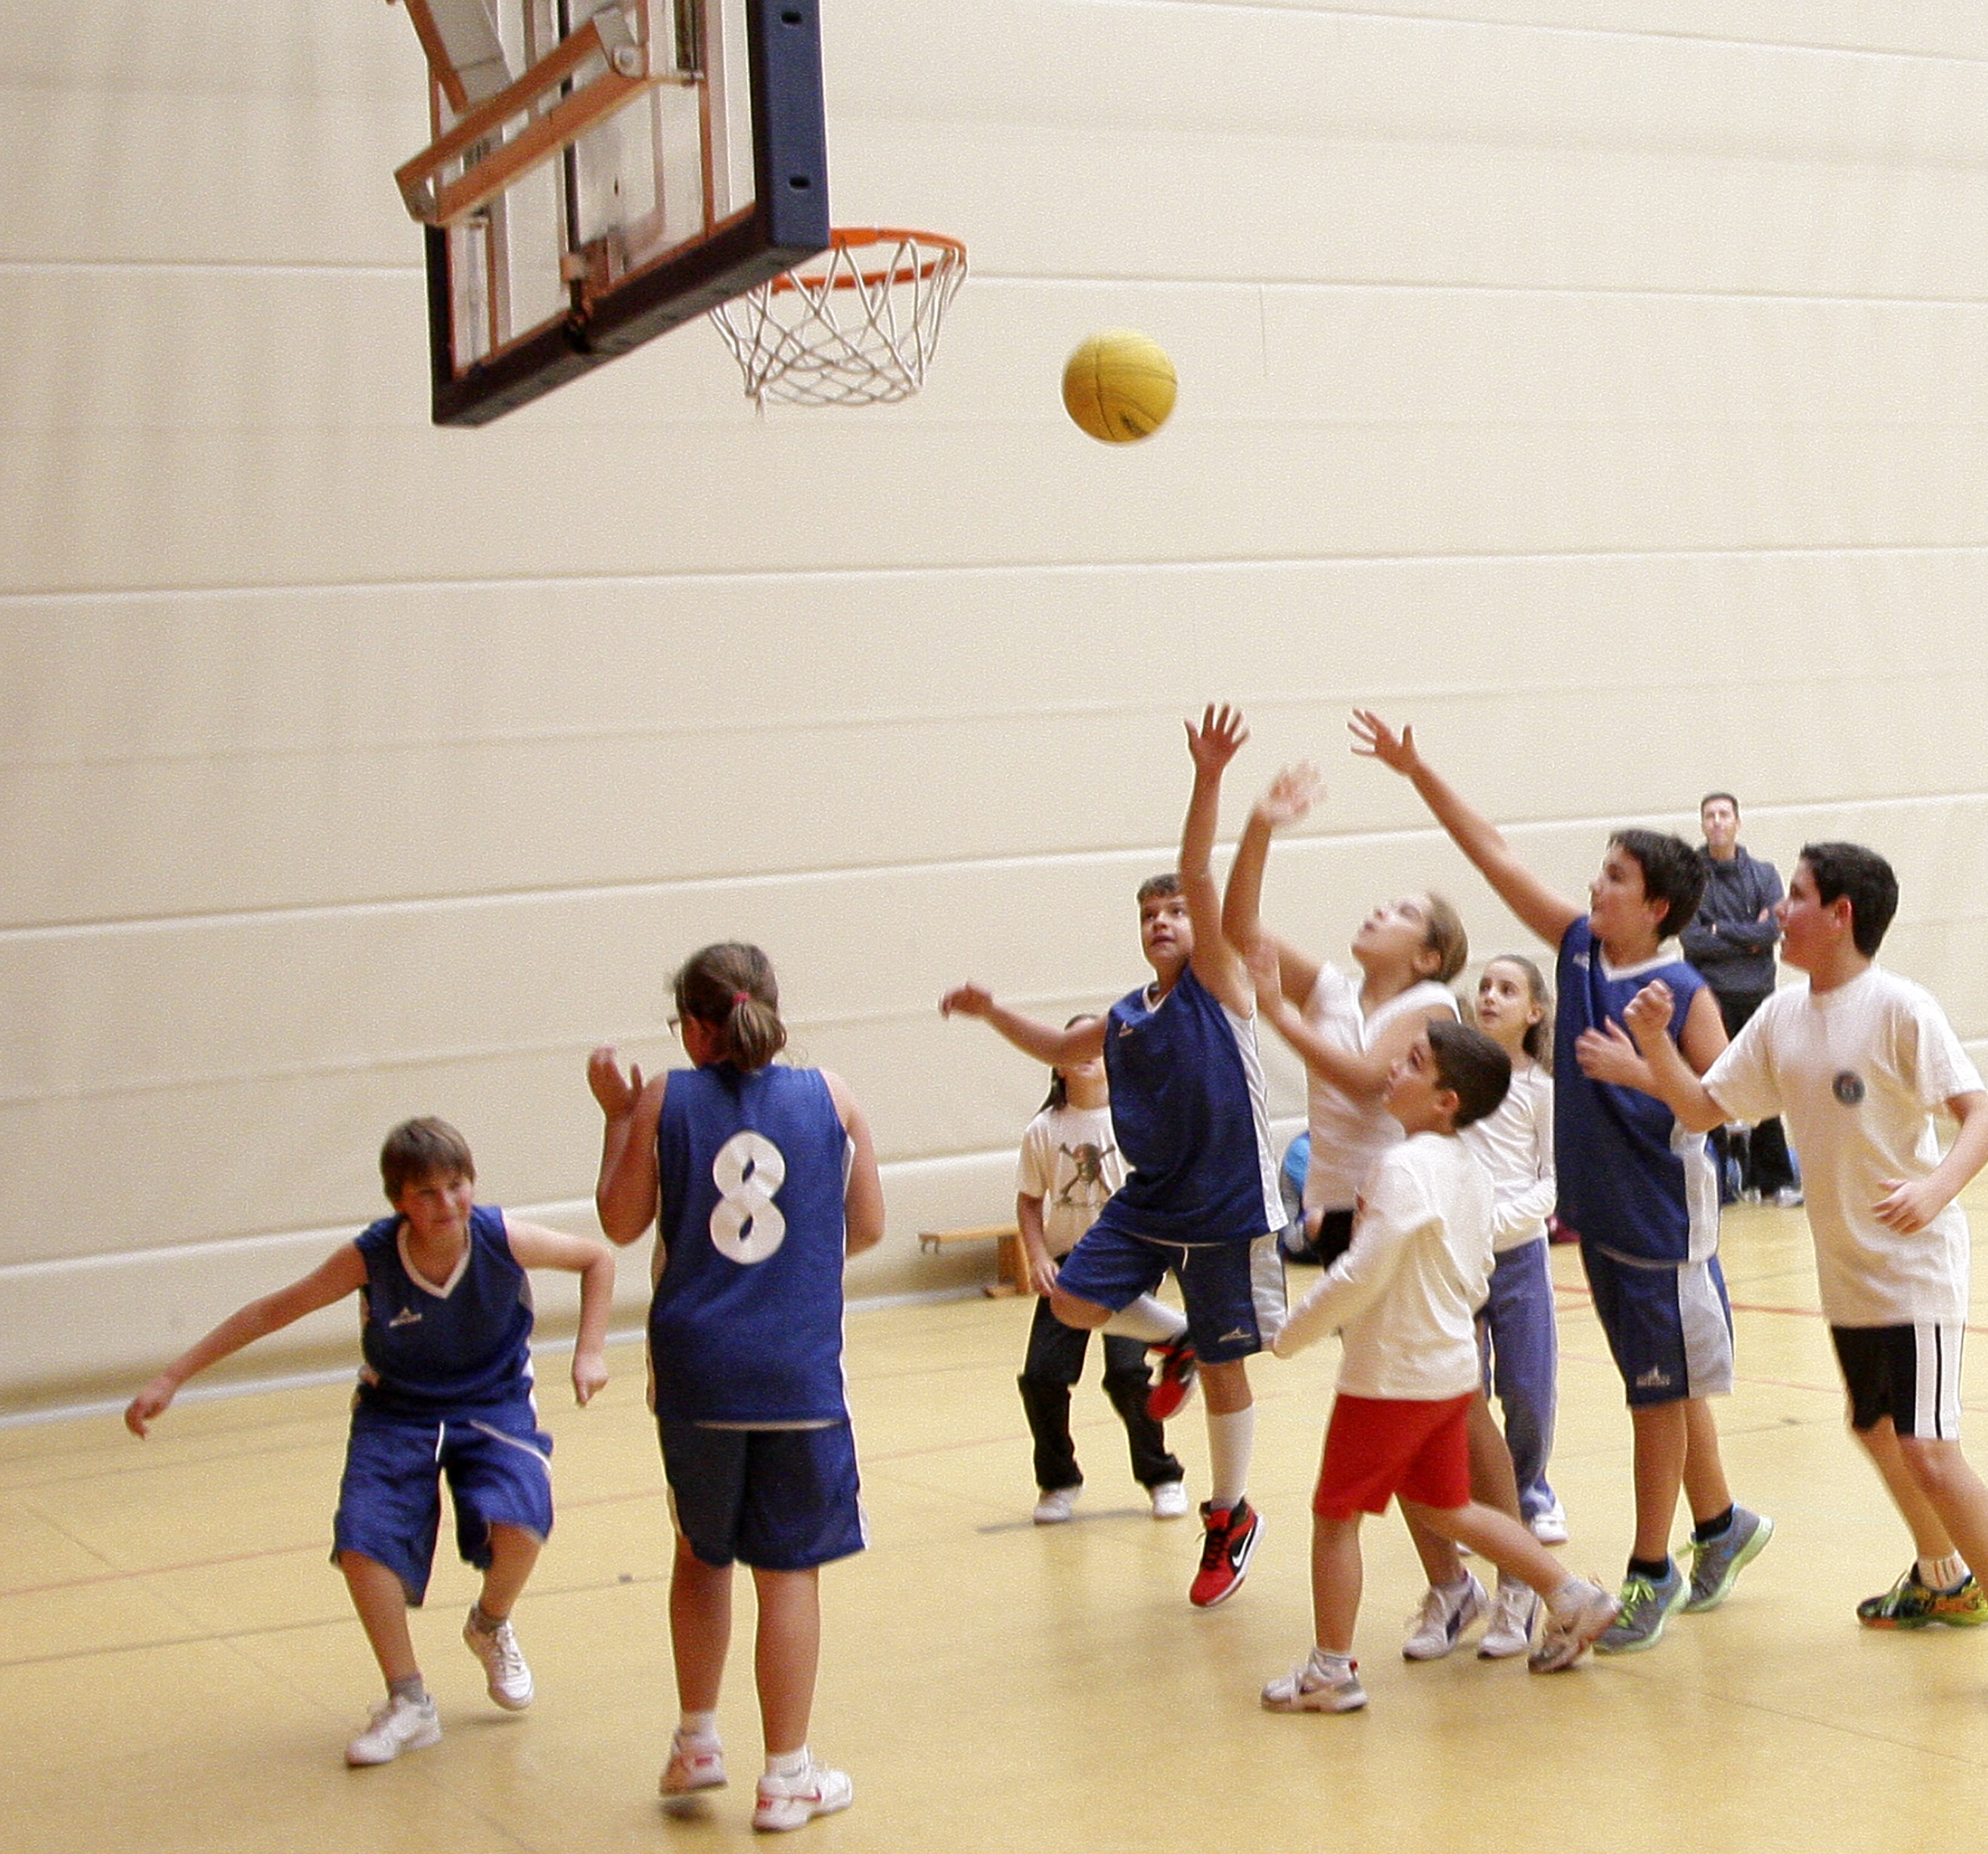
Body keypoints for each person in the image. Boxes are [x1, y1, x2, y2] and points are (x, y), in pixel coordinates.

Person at [1581, 842, 1988, 1715]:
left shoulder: (1901, 1008)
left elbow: (1981, 1115)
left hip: (1916, 1269)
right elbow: (1700, 1108)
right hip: (1847, 1271)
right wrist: (1652, 1044)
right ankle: (1941, 1577)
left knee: (1931, 1451)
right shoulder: (1779, 1018)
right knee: (1874, 1427)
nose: (1775, 913)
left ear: (1840, 915)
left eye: (1794, 897)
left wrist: (1935, 1186)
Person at [1351, 710, 1770, 1656]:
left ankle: (1651, 1569)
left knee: (1655, 1396)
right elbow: (1494, 855)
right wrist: (1420, 771)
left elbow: (1722, 1108)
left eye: (1616, 877)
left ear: (1657, 905)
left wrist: (1642, 1068)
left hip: (1666, 1226)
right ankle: (1722, 1526)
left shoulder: (1687, 994)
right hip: (1606, 1219)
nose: (1596, 884)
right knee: (1662, 1386)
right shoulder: (1580, 946)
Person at [124, 1117, 615, 1766]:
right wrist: (172, 1376)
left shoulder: (501, 1238)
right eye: (427, 1194)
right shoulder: (372, 1256)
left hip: (490, 1402)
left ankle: (490, 1623)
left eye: (457, 1186)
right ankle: (409, 1700)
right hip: (398, 1410)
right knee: (362, 1544)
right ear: (398, 1203)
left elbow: (596, 1258)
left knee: (522, 1522)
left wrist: (589, 1352)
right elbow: (273, 1310)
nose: (447, 1204)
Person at [941, 705, 1289, 1610]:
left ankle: (1230, 1513)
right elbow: (1065, 1048)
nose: (1162, 921)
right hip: (1152, 1197)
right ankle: (1173, 1345)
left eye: (1172, 910)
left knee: (1230, 1363)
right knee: (1070, 1298)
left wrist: (1209, 777)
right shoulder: (1128, 1012)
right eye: (1149, 914)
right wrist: (991, 1014)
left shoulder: (1220, 981)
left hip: (1227, 1199)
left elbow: (1204, 871)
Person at [590, 942, 886, 1831]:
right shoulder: (832, 1095)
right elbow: (867, 1227)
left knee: (700, 1550)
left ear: (690, 1026)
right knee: (788, 1570)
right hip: (795, 1370)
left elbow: (618, 1219)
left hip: (697, 1372)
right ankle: (787, 1775)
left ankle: (697, 1739)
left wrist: (615, 1120)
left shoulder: (663, 1098)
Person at [1257, 1022, 1620, 1710]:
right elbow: (1477, 1268)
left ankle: (1330, 1671)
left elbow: (1362, 1272)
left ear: (1446, 1100)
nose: (1396, 1068)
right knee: (1445, 1507)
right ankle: (1571, 1596)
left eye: (1415, 1063)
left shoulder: (1403, 1168)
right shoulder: (1469, 1170)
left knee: (1336, 1517)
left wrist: (1290, 1330)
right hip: (1449, 1371)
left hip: (1392, 1378)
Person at [1221, 758, 1464, 1292]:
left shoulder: (1433, 1002)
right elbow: (1240, 928)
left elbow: (1366, 1079)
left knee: (1410, 1356)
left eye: (1403, 913)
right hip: (1334, 1202)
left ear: (1428, 957)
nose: (1380, 911)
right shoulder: (1330, 991)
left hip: (1403, 1198)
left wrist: (1281, 1014)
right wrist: (1260, 826)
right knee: (1366, 1354)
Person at [1013, 1017, 1191, 1524]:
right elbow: (1029, 1203)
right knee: (1043, 1376)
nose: (1088, 1053)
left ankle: (1162, 1476)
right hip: (1069, 1268)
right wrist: (1038, 1256)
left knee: (1128, 1372)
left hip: (1128, 1262)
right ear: (1058, 1063)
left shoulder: (1136, 1121)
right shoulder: (1043, 1130)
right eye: (1075, 1045)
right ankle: (1057, 1481)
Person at [1461, 953, 1566, 1571]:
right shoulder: (1458, 1085)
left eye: (1507, 989)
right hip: (1457, 1265)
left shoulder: (1542, 1089)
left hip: (1520, 1256)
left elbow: (1553, 1182)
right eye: (1484, 987)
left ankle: (1531, 1490)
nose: (1490, 997)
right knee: (1463, 1391)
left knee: (1527, 1387)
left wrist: (1500, 1221)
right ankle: (1478, 1503)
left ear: (1534, 1012)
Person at [1683, 794, 1799, 1205]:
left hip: (1757, 994)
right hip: (1707, 997)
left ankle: (1774, 1181)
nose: (1717, 822)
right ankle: (1717, 1186)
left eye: (1724, 815)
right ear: (1702, 824)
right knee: (1710, 1084)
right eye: (1709, 816)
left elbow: (1771, 933)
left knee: (1765, 1084)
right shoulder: (1690, 876)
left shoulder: (1764, 874)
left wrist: (1719, 930)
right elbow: (1690, 938)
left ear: (1737, 822)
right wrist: (1743, 934)